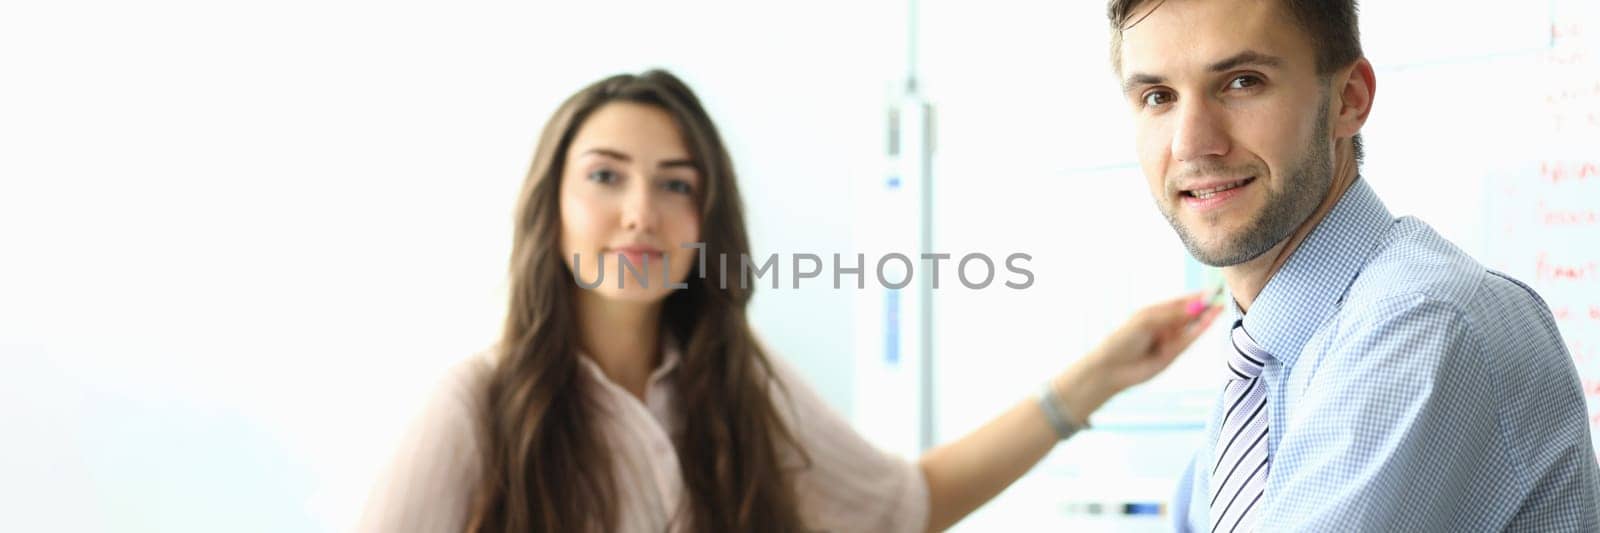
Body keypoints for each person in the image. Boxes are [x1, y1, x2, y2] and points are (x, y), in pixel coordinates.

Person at [355, 69, 1223, 532]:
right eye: (606, 176)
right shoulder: (475, 404)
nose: (638, 213)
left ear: (705, 219)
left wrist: (1098, 377)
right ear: (552, 202)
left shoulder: (734, 381)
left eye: (675, 185)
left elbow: (902, 509)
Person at [1105, 0, 1600, 530]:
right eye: (1158, 97)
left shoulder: (1417, 322)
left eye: (1242, 82)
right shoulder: (1264, 366)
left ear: (1349, 98)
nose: (1191, 143)